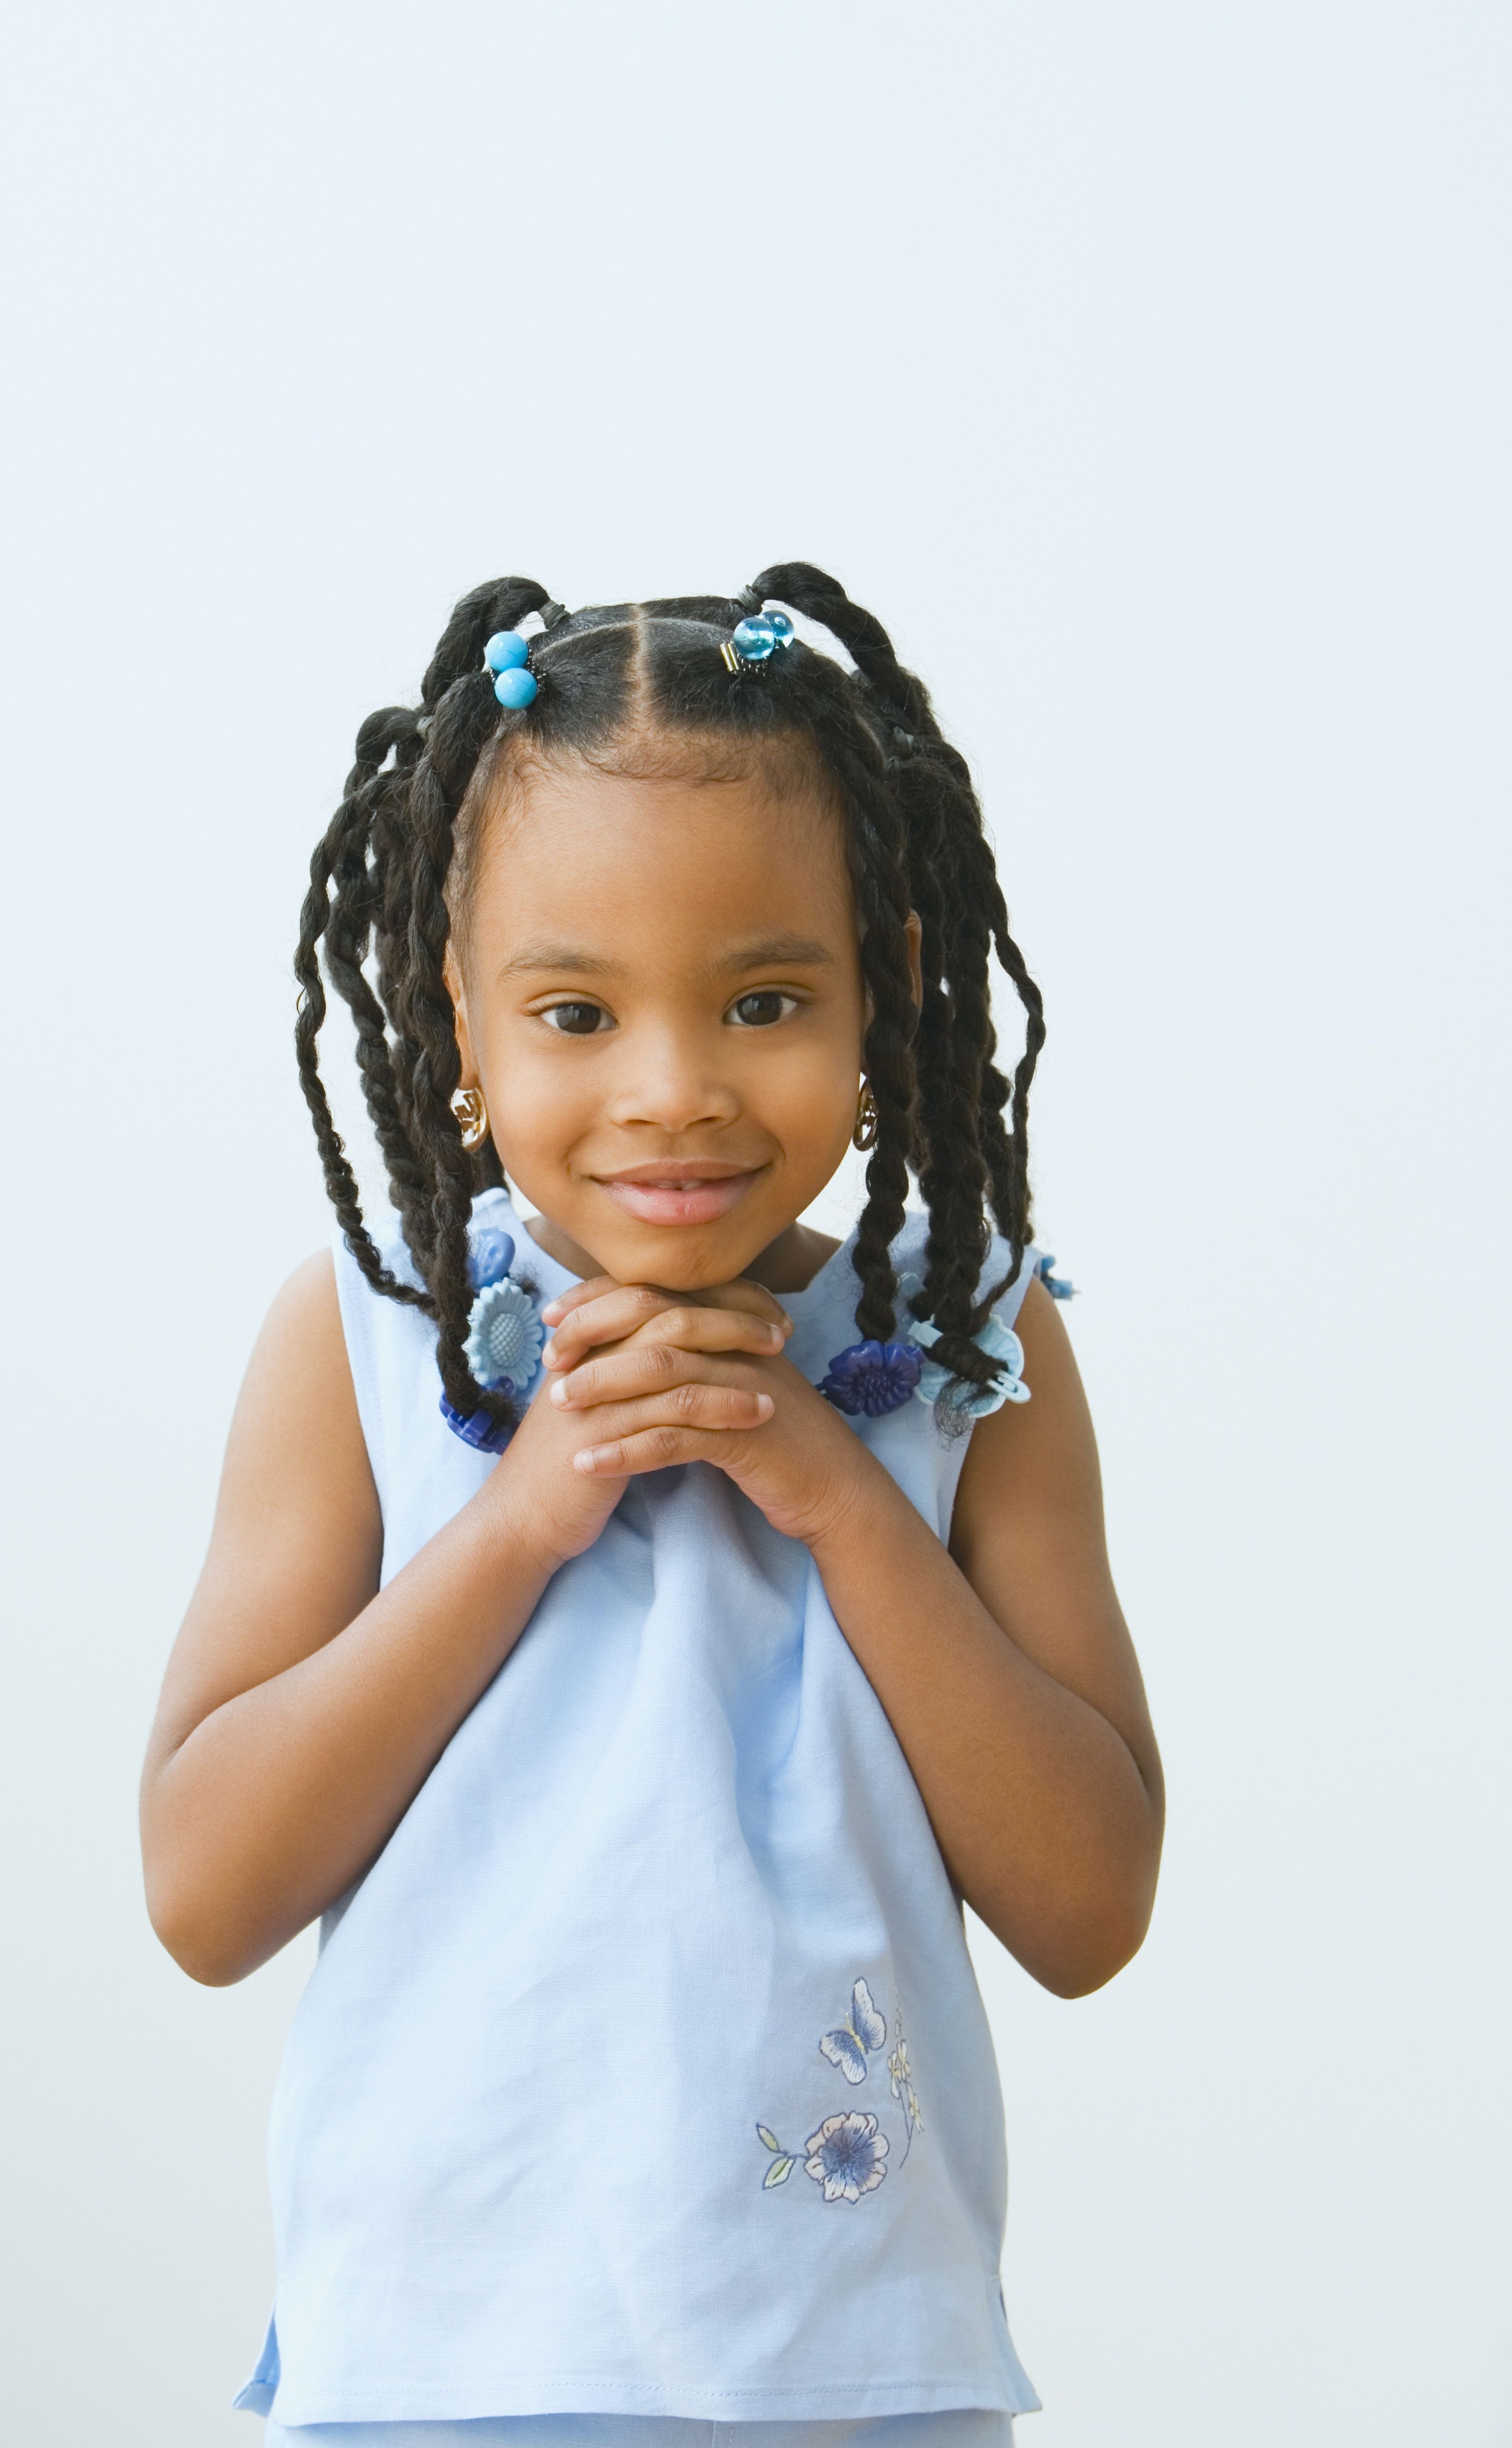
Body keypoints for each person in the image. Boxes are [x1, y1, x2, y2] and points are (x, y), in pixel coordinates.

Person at [140, 564, 1164, 2447]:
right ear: (457, 1020)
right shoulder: (361, 1341)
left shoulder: (966, 1347)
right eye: (575, 1012)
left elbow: (1088, 1905)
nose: (675, 1092)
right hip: (437, 2372)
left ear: (888, 992)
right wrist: (526, 1513)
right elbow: (204, 1892)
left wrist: (833, 1494)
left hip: (855, 2372)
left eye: (764, 997)